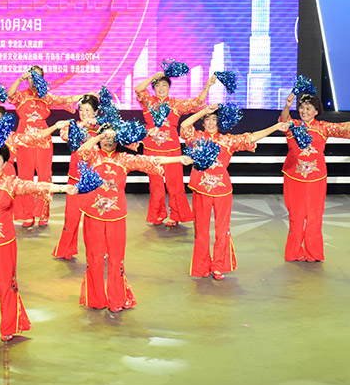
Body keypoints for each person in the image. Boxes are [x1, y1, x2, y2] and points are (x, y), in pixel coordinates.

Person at [0, 142, 77, 341]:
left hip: (4, 241)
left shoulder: (11, 183)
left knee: (7, 282)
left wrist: (62, 188)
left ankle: (9, 326)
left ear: (5, 163)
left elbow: (36, 186)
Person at [76, 126, 192, 311]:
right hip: (93, 214)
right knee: (94, 258)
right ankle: (96, 300)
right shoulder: (92, 156)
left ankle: (116, 300)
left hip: (116, 216)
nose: (108, 141)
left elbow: (150, 160)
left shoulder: (124, 159)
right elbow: (81, 151)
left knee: (116, 260)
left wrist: (178, 159)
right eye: (105, 137)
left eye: (112, 137)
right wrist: (99, 136)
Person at [180, 105, 290, 280]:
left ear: (220, 122)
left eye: (214, 119)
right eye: (207, 119)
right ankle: (201, 267)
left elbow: (251, 137)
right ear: (203, 122)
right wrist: (204, 110)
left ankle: (218, 266)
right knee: (201, 230)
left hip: (222, 190)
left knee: (222, 229)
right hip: (201, 189)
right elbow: (184, 126)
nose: (211, 123)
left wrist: (276, 127)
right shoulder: (196, 138)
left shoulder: (228, 140)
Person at [279, 93, 350, 261]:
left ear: (316, 111)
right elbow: (283, 120)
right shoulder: (293, 126)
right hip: (294, 178)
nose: (304, 111)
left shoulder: (322, 127)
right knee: (296, 216)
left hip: (316, 178)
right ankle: (294, 252)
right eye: (302, 108)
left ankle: (313, 253)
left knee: (315, 215)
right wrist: (287, 106)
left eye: (309, 108)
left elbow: (342, 127)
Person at [134, 71, 215, 226]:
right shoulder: (148, 101)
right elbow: (138, 89)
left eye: (164, 85)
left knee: (175, 185)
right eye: (158, 85)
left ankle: (176, 215)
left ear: (169, 87)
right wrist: (154, 77)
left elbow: (197, 102)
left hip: (172, 150)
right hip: (151, 150)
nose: (161, 88)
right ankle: (158, 214)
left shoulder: (176, 104)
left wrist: (208, 85)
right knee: (156, 186)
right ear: (154, 88)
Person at [7, 66, 82, 227]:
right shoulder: (22, 96)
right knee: (25, 177)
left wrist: (86, 95)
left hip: (43, 141)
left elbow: (66, 99)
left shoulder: (46, 97)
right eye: (31, 77)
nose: (34, 81)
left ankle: (43, 213)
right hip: (24, 140)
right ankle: (28, 214)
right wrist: (20, 79)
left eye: (38, 77)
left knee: (44, 176)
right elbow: (10, 94)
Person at [0, 95, 67, 177]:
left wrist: (55, 126)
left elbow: (36, 136)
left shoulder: (12, 138)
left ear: (3, 121)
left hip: (7, 180)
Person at [53, 94, 100, 260]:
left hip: (95, 180)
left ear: (95, 111)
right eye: (81, 110)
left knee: (96, 220)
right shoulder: (72, 126)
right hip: (75, 178)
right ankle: (66, 249)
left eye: (88, 110)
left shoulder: (101, 127)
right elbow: (65, 136)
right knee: (71, 218)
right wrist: (83, 124)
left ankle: (99, 250)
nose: (84, 113)